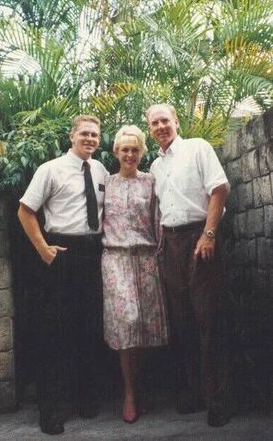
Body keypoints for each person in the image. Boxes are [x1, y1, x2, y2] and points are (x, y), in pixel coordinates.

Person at [18, 115, 109, 435]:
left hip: (93, 253)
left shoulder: (100, 170)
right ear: (71, 137)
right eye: (84, 133)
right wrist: (43, 249)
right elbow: (25, 210)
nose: (90, 139)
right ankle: (51, 410)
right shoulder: (50, 169)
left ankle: (85, 400)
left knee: (88, 328)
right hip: (61, 254)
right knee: (56, 333)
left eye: (95, 135)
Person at [146, 103, 230, 427]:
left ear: (176, 121)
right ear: (150, 129)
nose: (160, 126)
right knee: (183, 325)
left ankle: (219, 399)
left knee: (210, 319)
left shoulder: (197, 148)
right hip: (171, 244)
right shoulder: (154, 166)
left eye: (165, 120)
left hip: (199, 238)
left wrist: (208, 235)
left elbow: (219, 189)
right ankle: (194, 393)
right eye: (154, 123)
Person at [102, 125, 169, 424]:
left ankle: (140, 387)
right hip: (116, 259)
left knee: (144, 326)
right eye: (124, 149)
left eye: (135, 149)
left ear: (142, 151)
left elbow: (160, 220)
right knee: (127, 321)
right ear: (116, 152)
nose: (129, 154)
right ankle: (129, 392)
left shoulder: (152, 182)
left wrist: (160, 257)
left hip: (146, 259)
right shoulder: (105, 184)